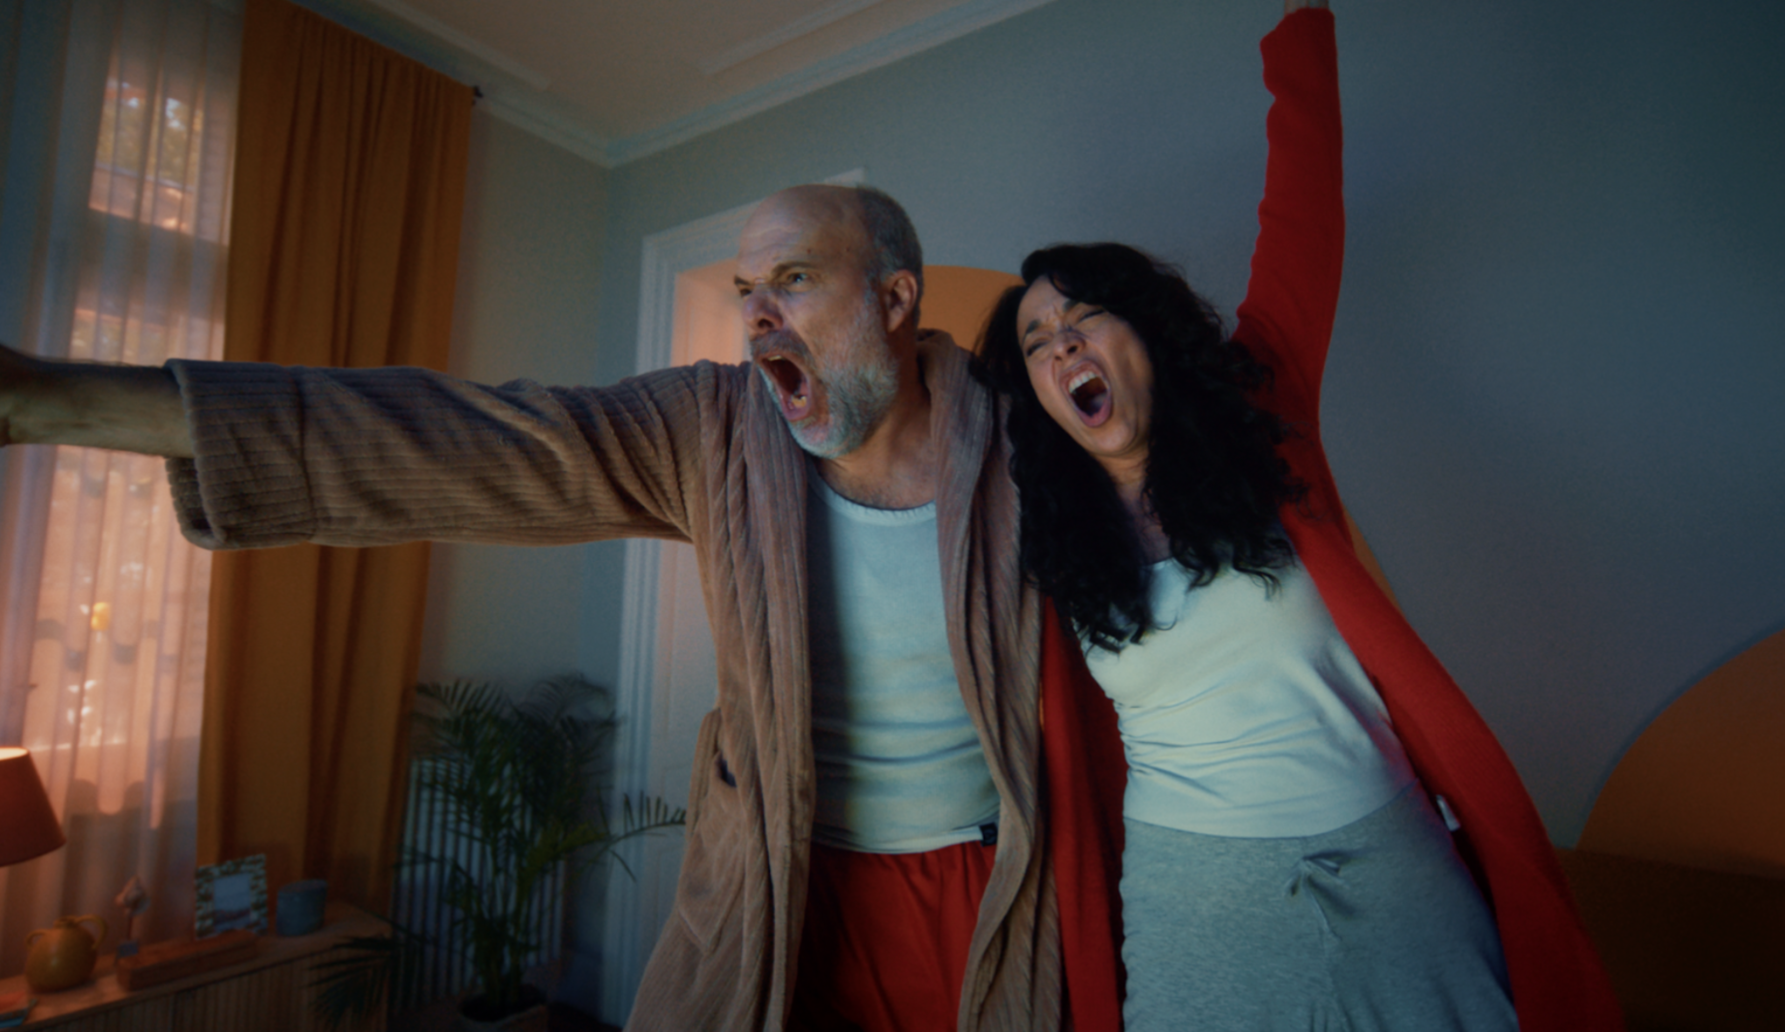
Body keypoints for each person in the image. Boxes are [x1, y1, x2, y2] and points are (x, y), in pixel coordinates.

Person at [0, 185, 1068, 1031]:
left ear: (894, 299)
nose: (756, 316)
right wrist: (49, 399)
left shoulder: (1028, 443)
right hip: (775, 885)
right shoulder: (716, 428)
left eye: (793, 279)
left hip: (980, 888)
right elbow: (478, 443)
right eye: (748, 288)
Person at [976, 2, 1624, 1030]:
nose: (1062, 345)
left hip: (1385, 853)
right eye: (1037, 341)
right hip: (1193, 897)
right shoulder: (1044, 527)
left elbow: (1303, 213)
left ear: (1145, 332)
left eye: (1083, 314)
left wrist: (1300, 24)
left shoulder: (1260, 407)